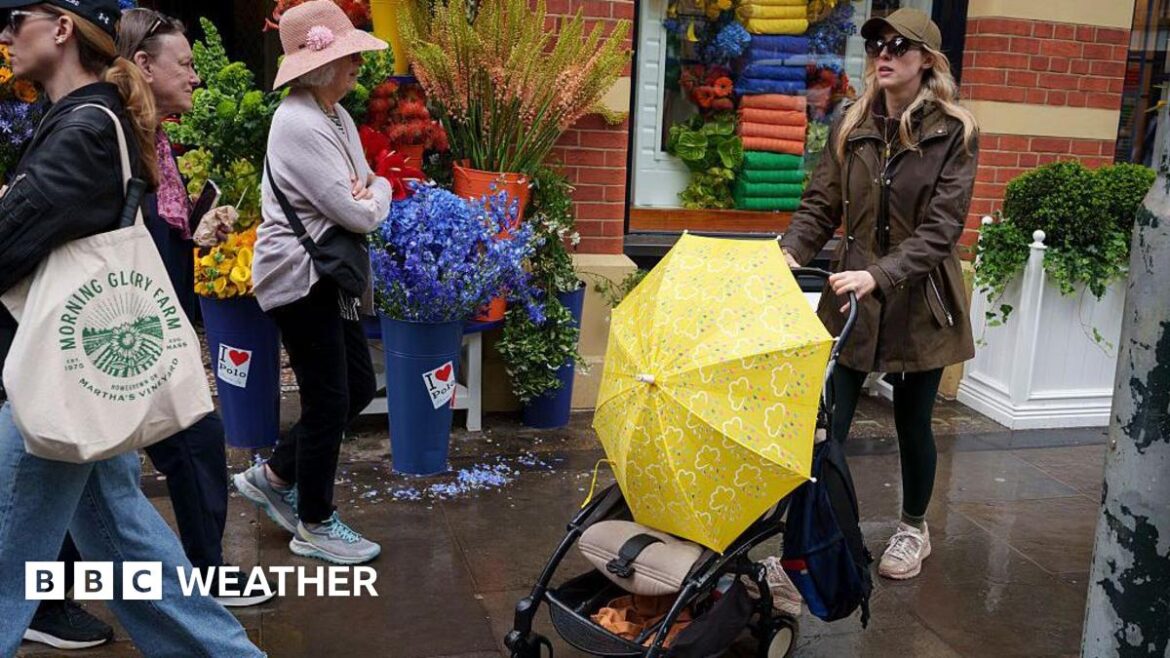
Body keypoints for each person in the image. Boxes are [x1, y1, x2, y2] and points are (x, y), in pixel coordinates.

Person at [0, 1, 265, 655]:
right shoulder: (90, 121)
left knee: (7, 557)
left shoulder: (86, 126)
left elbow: (9, 241)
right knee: (128, 549)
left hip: (50, 379)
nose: (4, 35)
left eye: (15, 20)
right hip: (79, 374)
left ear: (60, 29)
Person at [780, 7, 978, 580]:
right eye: (876, 46)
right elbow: (821, 204)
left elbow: (942, 231)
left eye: (898, 45)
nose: (883, 55)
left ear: (927, 62)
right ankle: (820, 534)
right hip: (852, 297)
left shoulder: (954, 132)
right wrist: (792, 249)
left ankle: (913, 530)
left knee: (912, 424)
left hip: (922, 300)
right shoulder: (851, 121)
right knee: (830, 422)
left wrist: (882, 274)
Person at [232, 0, 389, 566]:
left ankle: (274, 475)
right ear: (319, 66)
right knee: (329, 399)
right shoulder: (298, 121)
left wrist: (370, 190)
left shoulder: (335, 116)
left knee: (358, 389)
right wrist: (374, 194)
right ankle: (315, 522)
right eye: (348, 58)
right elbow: (361, 211)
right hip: (300, 278)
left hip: (330, 275)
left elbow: (364, 185)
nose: (356, 68)